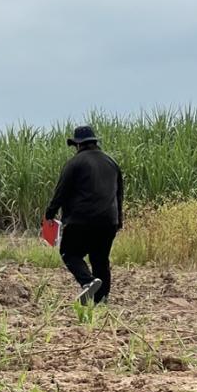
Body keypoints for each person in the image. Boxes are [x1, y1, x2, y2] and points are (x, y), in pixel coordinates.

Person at [45, 124, 124, 306]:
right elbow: (119, 194)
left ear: (78, 145)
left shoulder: (75, 163)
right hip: (108, 221)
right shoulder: (112, 163)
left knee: (70, 253)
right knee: (100, 259)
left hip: (81, 220)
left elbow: (61, 191)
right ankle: (101, 300)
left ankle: (87, 282)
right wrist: (119, 220)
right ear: (94, 142)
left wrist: (50, 213)